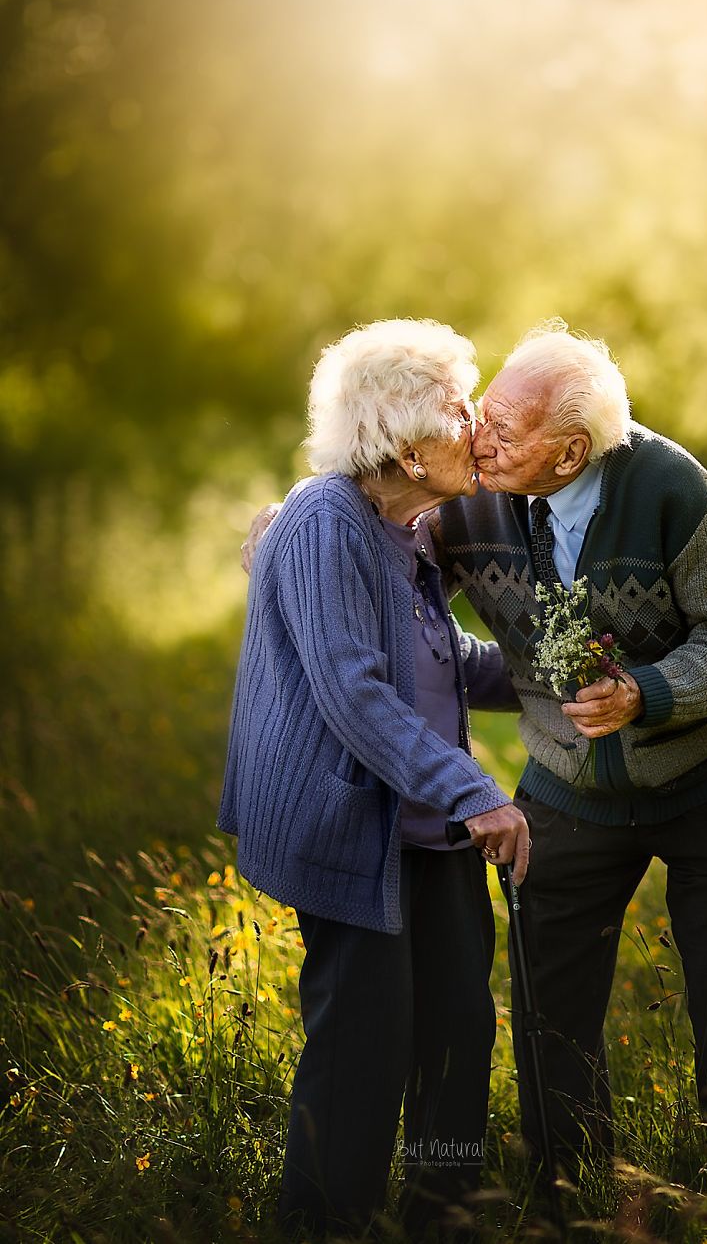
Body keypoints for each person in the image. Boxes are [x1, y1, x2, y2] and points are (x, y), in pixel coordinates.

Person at [243, 319, 707, 1184]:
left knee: (693, 1004)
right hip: (478, 801)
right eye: (473, 413)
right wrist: (286, 528)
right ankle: (533, 1187)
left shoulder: (664, 488)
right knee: (478, 1022)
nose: (479, 434)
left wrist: (639, 691)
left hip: (695, 780)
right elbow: (364, 622)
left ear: (571, 450)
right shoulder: (433, 504)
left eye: (501, 423)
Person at [220, 317, 530, 1239]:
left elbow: (437, 660)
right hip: (354, 825)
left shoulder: (409, 528)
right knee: (365, 1043)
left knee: (458, 1027)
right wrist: (479, 790)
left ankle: (444, 1212)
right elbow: (354, 693)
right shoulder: (324, 522)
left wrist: (548, 673)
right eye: (458, 409)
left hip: (426, 826)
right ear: (398, 433)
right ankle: (327, 1220)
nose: (473, 428)